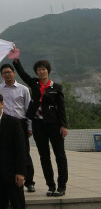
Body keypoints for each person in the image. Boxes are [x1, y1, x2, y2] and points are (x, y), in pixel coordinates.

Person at [11, 49, 68, 196]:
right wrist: (16, 61)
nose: (41, 72)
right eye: (39, 70)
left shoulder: (56, 87)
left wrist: (64, 125)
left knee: (59, 155)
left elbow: (61, 108)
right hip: (38, 124)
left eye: (43, 69)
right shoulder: (34, 83)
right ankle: (51, 185)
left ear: (48, 71)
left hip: (54, 124)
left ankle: (62, 186)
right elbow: (23, 74)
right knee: (44, 156)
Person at [0, 62, 36, 192]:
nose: (7, 75)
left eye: (9, 72)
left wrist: (30, 127)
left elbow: (29, 109)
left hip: (20, 123)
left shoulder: (23, 89)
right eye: (4, 73)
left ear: (14, 73)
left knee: (24, 152)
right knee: (5, 152)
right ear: (2, 75)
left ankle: (29, 181)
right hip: (3, 123)